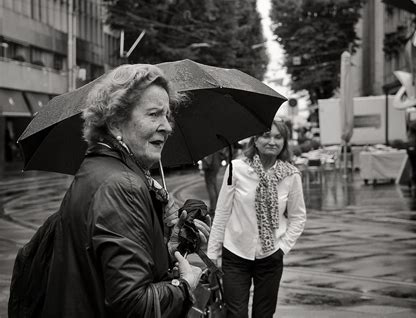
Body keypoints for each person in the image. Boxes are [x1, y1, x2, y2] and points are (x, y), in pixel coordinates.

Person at [13, 64, 210, 317]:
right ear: (116, 123)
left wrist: (167, 248)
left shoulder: (99, 169)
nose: (167, 126)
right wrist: (184, 285)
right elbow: (133, 304)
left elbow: (104, 270)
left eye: (167, 115)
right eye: (153, 114)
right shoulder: (122, 186)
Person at [207, 119, 306, 318]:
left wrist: (283, 248)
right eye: (266, 135)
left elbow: (298, 217)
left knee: (264, 314)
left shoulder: (291, 175)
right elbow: (222, 213)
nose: (272, 141)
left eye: (278, 137)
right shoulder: (237, 168)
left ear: (284, 143)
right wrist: (212, 255)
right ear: (256, 140)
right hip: (235, 254)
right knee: (236, 314)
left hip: (271, 257)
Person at [201, 149, 226, 218]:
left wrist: (203, 166)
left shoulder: (206, 143)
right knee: (214, 185)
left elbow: (207, 158)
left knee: (210, 186)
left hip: (210, 166)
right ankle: (217, 206)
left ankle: (213, 209)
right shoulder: (213, 141)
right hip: (216, 163)